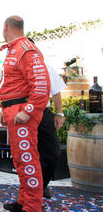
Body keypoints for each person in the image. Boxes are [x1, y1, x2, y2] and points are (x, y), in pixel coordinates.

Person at [0, 16, 51, 212]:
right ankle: (24, 201)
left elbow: (41, 84)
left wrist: (28, 110)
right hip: (15, 110)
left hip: (23, 112)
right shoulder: (15, 49)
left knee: (28, 158)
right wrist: (6, 109)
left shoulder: (26, 49)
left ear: (6, 28)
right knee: (21, 159)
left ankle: (32, 209)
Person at [39, 61, 67, 199]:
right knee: (27, 155)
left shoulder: (45, 66)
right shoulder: (14, 65)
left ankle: (42, 184)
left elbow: (55, 90)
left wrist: (59, 113)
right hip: (22, 114)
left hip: (43, 113)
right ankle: (29, 189)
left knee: (53, 152)